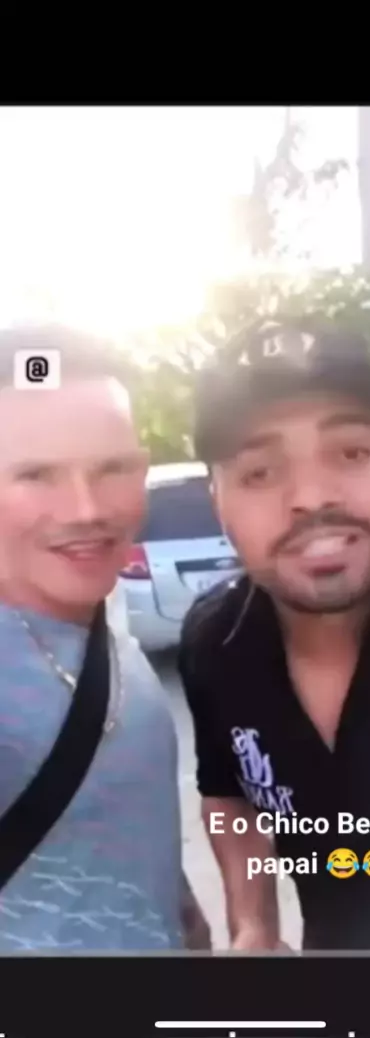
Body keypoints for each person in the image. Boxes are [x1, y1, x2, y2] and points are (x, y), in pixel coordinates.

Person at [178, 319, 370, 952]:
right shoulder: (212, 645)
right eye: (260, 472)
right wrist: (254, 927)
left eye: (352, 453)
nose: (311, 498)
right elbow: (228, 796)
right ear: (217, 499)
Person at [0, 324, 210, 952]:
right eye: (37, 474)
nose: (87, 509)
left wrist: (184, 915)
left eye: (112, 468)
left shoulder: (102, 619)